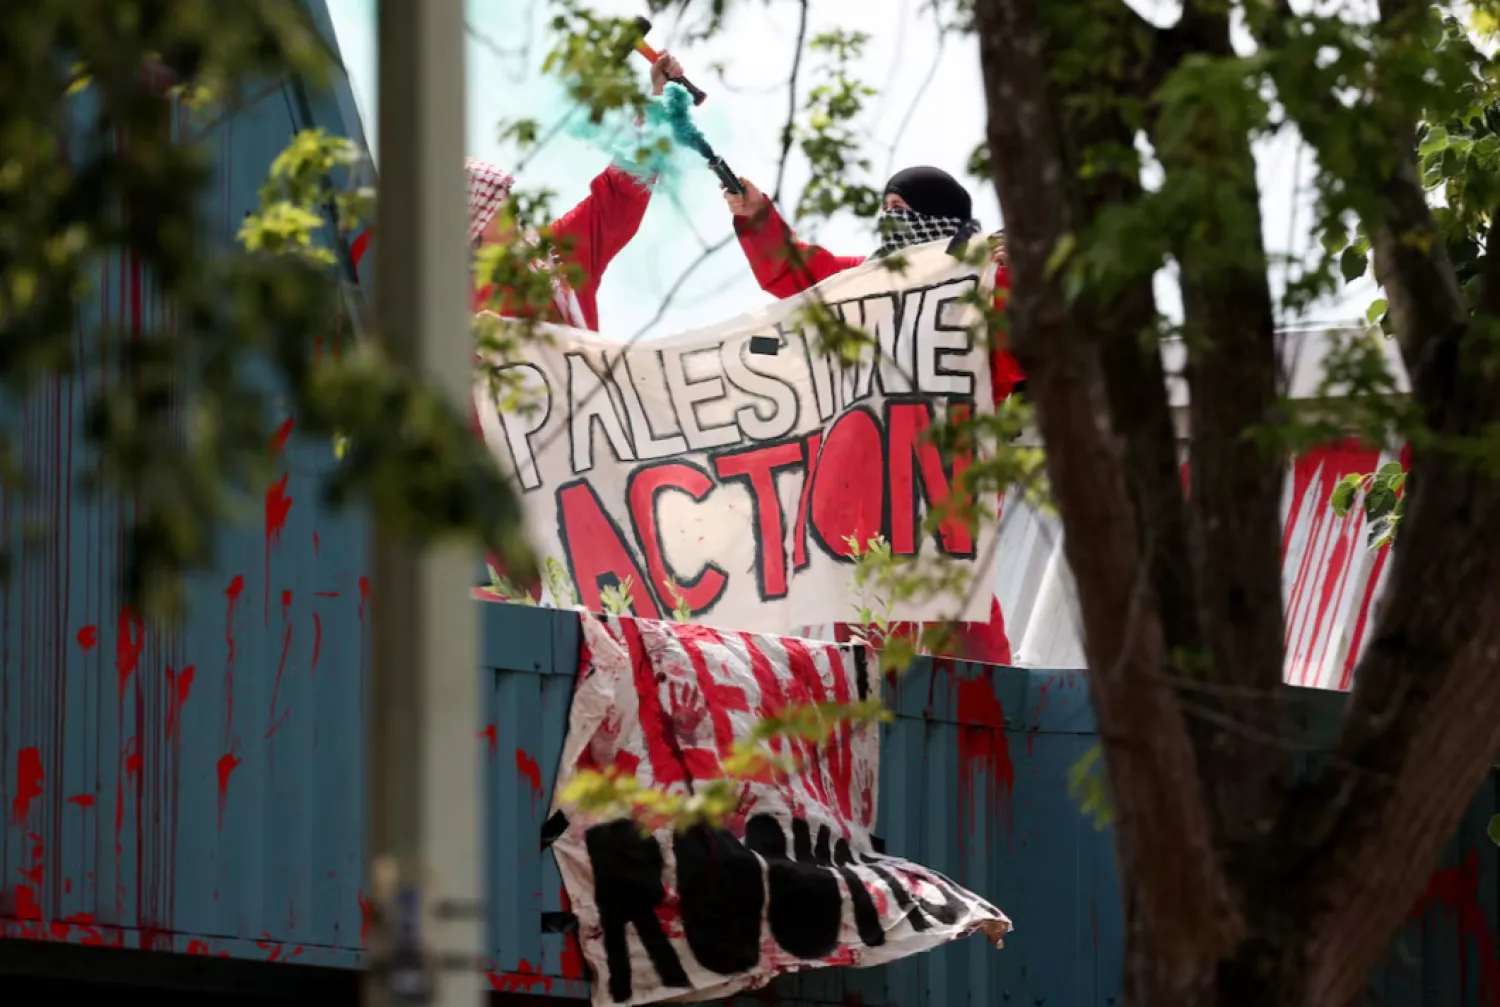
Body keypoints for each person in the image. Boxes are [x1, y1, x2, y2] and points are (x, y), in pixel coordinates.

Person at [724, 167, 1021, 664]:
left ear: (938, 220)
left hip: (947, 502)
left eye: (901, 212)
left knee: (966, 638)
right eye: (884, 210)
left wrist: (1013, 280)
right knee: (870, 640)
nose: (888, 222)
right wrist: (759, 219)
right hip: (870, 505)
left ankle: (991, 733)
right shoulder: (866, 284)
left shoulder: (982, 291)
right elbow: (801, 272)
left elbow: (1021, 353)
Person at [464, 51, 685, 331]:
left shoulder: (555, 253)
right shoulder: (452, 307)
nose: (514, 207)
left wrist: (656, 102)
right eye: (498, 202)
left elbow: (616, 200)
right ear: (475, 224)